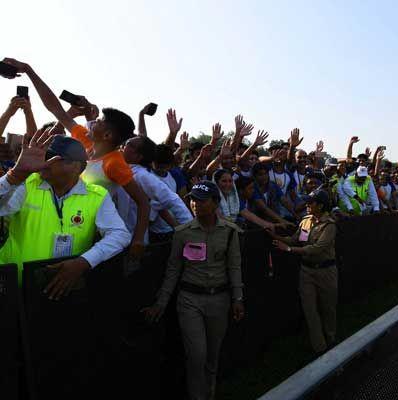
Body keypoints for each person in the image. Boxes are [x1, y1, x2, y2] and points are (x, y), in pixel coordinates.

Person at [3, 58, 150, 259]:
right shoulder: (85, 143)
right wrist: (29, 71)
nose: (91, 122)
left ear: (107, 136)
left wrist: (138, 239)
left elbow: (143, 202)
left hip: (89, 234)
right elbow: (56, 109)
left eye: (97, 122)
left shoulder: (114, 163)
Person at [142, 181, 244, 400]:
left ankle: (210, 393)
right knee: (197, 354)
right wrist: (161, 302)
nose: (195, 204)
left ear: (215, 203)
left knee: (212, 356)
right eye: (193, 199)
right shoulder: (182, 233)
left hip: (219, 299)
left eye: (201, 200)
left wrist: (238, 298)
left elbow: (234, 267)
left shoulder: (229, 232)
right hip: (189, 300)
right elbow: (173, 269)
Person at [0, 130, 131, 297]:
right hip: (12, 283)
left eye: (51, 158)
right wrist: (14, 175)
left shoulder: (97, 196)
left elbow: (120, 234)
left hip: (60, 286)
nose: (43, 162)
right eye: (43, 156)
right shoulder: (25, 184)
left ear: (77, 166)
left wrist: (84, 262)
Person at [269, 190, 338, 354]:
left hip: (326, 271)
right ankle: (320, 348)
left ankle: (331, 340)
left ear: (320, 206)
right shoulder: (305, 221)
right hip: (306, 271)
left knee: (328, 308)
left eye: (311, 202)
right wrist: (276, 237)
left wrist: (289, 249)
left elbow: (317, 248)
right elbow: (294, 239)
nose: (307, 205)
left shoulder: (329, 225)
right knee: (309, 310)